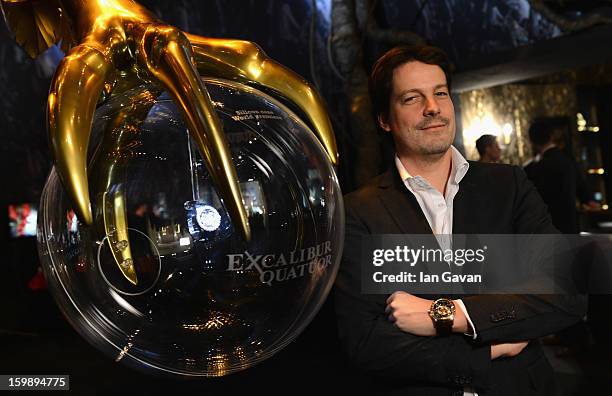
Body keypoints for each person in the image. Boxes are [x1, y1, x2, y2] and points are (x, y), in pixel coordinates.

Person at [334, 45, 586, 395]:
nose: (433, 107)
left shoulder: (508, 186)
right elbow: (367, 343)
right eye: (412, 98)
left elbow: (567, 293)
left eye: (440, 93)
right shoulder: (359, 211)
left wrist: (449, 314)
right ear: (384, 119)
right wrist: (492, 347)